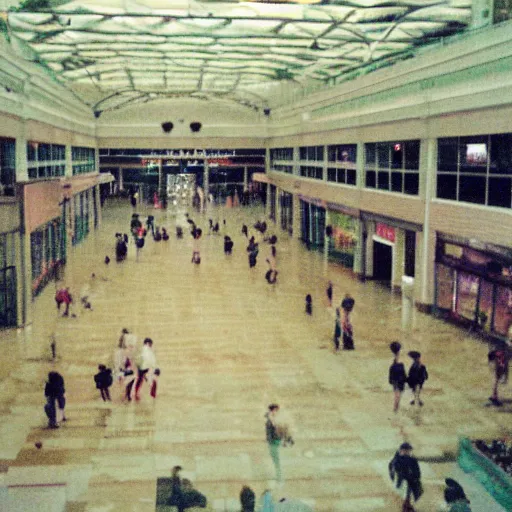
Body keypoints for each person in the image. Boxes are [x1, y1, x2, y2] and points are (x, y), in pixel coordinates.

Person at [388, 442, 423, 512]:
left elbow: (416, 470)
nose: (409, 452)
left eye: (409, 450)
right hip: (403, 480)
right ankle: (406, 508)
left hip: (410, 480)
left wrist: (416, 477)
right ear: (402, 450)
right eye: (407, 450)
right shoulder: (397, 460)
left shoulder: (411, 459)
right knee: (406, 494)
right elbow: (394, 470)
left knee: (410, 494)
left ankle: (407, 507)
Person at [265, 404, 282, 481]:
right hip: (272, 441)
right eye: (276, 410)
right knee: (275, 458)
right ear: (273, 410)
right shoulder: (271, 419)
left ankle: (278, 475)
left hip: (275, 441)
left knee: (276, 459)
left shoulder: (273, 419)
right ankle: (278, 475)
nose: (277, 412)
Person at [389, 342, 407, 412]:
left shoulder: (394, 365)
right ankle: (396, 408)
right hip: (399, 380)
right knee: (398, 395)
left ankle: (396, 408)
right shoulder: (400, 364)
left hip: (396, 379)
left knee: (397, 394)